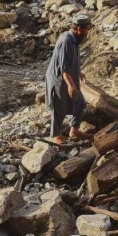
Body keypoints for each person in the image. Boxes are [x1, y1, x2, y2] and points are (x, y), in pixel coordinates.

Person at [45, 14, 91, 144]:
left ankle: (74, 130)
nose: (87, 32)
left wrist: (78, 72)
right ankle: (56, 135)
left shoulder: (75, 39)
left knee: (79, 102)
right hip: (59, 78)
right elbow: (63, 67)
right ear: (79, 29)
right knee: (59, 106)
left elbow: (72, 61)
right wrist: (71, 85)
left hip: (69, 75)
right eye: (86, 29)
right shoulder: (67, 41)